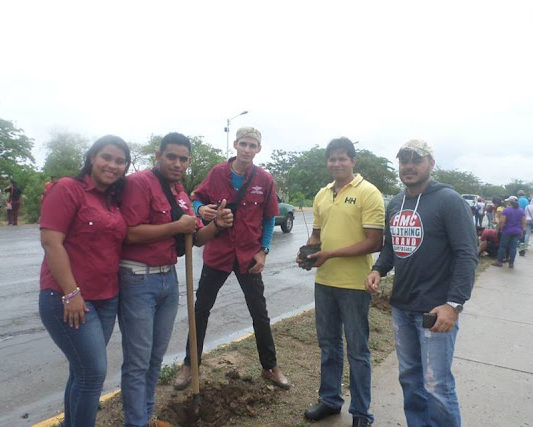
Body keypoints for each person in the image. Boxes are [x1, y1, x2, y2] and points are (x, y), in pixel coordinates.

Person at [119, 132, 233, 427]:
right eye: (171, 157)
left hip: (168, 280)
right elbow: (130, 233)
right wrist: (176, 226)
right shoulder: (139, 183)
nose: (177, 163)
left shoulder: (181, 195)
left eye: (183, 159)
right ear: (158, 156)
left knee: (155, 357)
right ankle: (136, 422)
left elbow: (194, 239)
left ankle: (147, 417)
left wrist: (216, 225)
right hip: (138, 278)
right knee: (138, 361)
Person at [365, 139, 478, 427]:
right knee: (410, 378)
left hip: (435, 310)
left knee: (437, 385)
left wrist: (453, 304)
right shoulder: (396, 203)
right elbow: (390, 247)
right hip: (402, 307)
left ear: (431, 164)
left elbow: (467, 255)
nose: (409, 166)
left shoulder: (449, 200)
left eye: (416, 160)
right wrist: (378, 269)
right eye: (404, 160)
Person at [172, 127, 290, 393]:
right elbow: (196, 200)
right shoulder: (217, 173)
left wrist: (264, 250)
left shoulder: (264, 179)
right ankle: (190, 364)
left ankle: (270, 366)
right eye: (243, 144)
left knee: (259, 312)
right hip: (218, 253)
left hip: (249, 255)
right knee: (201, 309)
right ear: (235, 144)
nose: (247, 149)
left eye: (252, 145)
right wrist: (201, 209)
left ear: (258, 149)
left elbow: (269, 218)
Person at [39, 135, 131, 427]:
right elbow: (51, 242)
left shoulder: (112, 200)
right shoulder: (68, 188)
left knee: (81, 372)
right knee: (92, 374)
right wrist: (71, 293)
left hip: (106, 299)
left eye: (120, 161)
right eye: (106, 157)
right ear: (92, 158)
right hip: (68, 298)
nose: (112, 165)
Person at [297, 137, 385, 427]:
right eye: (332, 159)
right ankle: (330, 400)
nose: (336, 163)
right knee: (329, 345)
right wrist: (308, 252)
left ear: (353, 161)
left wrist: (330, 254)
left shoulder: (368, 192)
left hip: (355, 285)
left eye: (342, 158)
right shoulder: (322, 194)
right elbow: (317, 234)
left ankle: (361, 413)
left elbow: (374, 242)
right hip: (324, 282)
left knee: (357, 350)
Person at [492, 196, 525, 268]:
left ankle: (500, 261)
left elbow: (502, 221)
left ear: (510, 202)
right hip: (517, 232)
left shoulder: (506, 210)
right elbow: (523, 223)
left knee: (503, 246)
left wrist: (500, 229)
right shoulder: (521, 211)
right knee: (513, 247)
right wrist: (522, 231)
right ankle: (511, 263)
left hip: (507, 231)